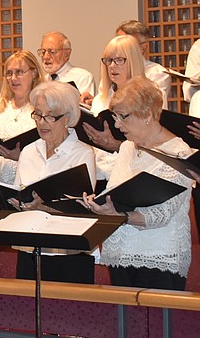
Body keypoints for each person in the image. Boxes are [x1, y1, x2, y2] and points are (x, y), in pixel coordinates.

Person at [81, 77, 194, 290]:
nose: (116, 124)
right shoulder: (127, 148)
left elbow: (161, 215)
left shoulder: (179, 153)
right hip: (121, 255)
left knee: (159, 323)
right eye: (115, 116)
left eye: (123, 116)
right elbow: (115, 194)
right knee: (124, 323)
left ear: (148, 115)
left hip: (159, 258)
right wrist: (98, 205)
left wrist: (120, 216)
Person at [10, 81, 97, 282]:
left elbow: (81, 209)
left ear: (66, 118)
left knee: (68, 312)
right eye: (38, 114)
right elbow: (18, 191)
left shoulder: (82, 154)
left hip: (68, 253)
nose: (41, 122)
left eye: (49, 116)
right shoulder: (29, 151)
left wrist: (44, 207)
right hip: (29, 248)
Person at [0, 50, 46, 183]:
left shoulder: (43, 107)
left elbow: (51, 148)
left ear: (33, 73)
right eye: (9, 73)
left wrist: (22, 156)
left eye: (19, 72)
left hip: (26, 178)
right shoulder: (0, 105)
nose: (13, 78)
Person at [83, 35, 152, 152]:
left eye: (119, 60)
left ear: (133, 61)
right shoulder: (101, 99)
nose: (112, 66)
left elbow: (153, 145)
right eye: (108, 60)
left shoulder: (149, 97)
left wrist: (116, 146)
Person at [115, 20, 171, 100]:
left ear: (143, 46)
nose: (119, 46)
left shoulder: (158, 74)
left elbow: (151, 106)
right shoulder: (112, 70)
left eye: (127, 43)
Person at [37, 31, 96, 100]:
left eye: (52, 51)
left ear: (66, 54)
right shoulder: (41, 81)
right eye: (43, 52)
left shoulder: (83, 78)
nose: (45, 57)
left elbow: (85, 108)